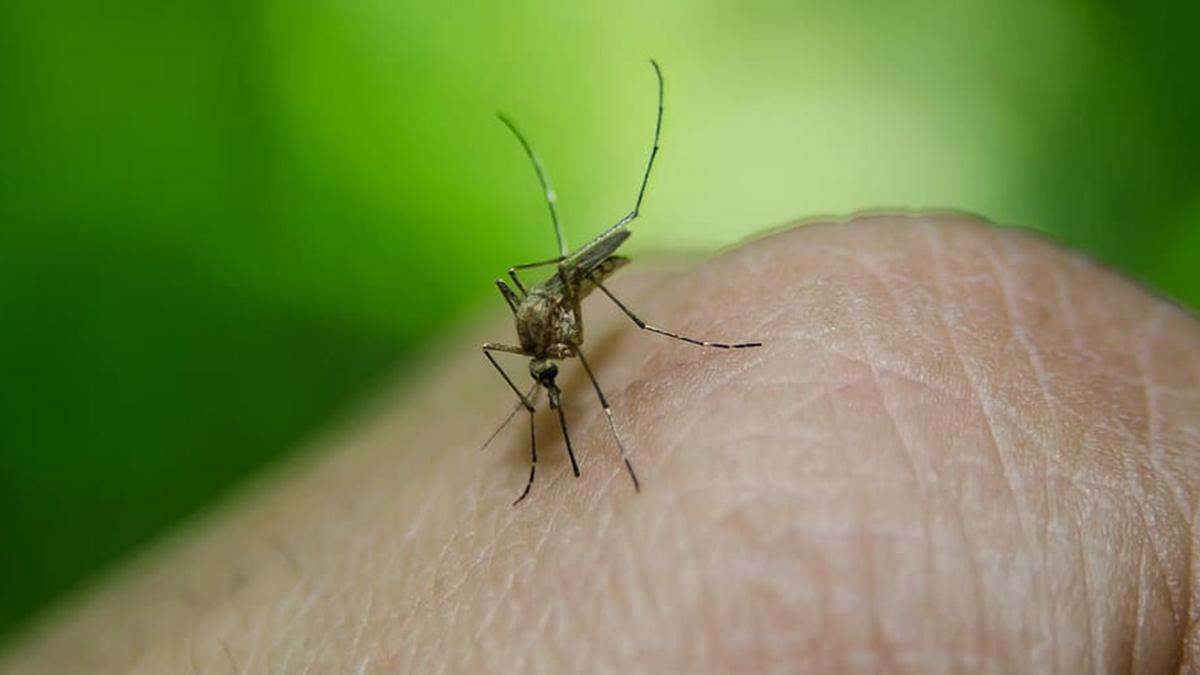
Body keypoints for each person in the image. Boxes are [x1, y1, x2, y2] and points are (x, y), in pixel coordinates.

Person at [2, 214, 1197, 673]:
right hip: (547, 306)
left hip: (584, 280)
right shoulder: (527, 347)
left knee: (594, 325)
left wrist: (597, 363)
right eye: (540, 358)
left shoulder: (570, 311)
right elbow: (524, 347)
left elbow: (566, 316)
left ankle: (655, 355)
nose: (543, 360)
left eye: (545, 350)